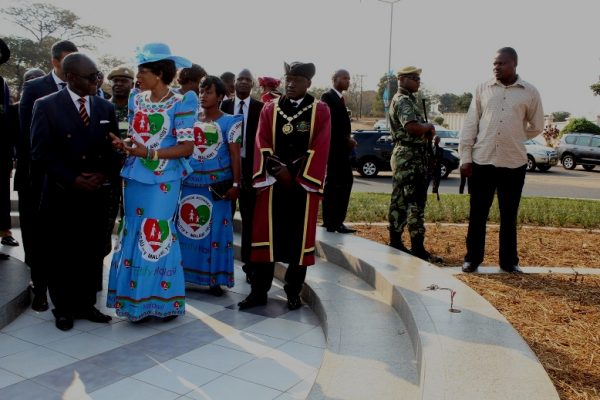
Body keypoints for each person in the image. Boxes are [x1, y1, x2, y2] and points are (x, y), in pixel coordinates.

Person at [30, 53, 121, 331]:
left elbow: (113, 148)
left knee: (91, 250)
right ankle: (64, 308)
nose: (97, 80)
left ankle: (86, 304)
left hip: (96, 193)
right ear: (70, 77)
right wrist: (73, 179)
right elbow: (40, 152)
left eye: (97, 75)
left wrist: (103, 174)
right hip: (62, 193)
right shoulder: (46, 106)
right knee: (62, 252)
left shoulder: (104, 108)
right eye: (90, 76)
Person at [107, 43, 197, 322]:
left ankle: (162, 301)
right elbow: (139, 137)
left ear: (159, 73)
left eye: (142, 71)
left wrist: (149, 152)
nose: (138, 76)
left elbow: (186, 147)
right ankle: (134, 301)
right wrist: (127, 145)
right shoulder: (137, 99)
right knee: (133, 229)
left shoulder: (182, 102)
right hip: (135, 175)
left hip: (164, 179)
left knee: (155, 232)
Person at [238, 61, 330, 311]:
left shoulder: (320, 110)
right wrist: (278, 170)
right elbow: (262, 140)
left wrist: (295, 174)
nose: (290, 83)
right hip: (273, 183)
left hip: (302, 187)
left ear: (308, 83)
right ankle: (258, 291)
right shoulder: (271, 108)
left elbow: (320, 145)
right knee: (265, 239)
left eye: (297, 79)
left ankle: (293, 291)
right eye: (288, 78)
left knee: (298, 243)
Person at [460, 47, 543, 273]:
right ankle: (472, 259)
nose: (496, 67)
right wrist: (465, 158)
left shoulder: (530, 92)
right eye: (494, 64)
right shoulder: (482, 89)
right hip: (482, 161)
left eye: (501, 63)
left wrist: (515, 135)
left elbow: (537, 126)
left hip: (513, 163)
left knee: (509, 216)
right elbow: (470, 124)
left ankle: (509, 262)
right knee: (478, 214)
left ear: (514, 64)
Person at [17, 39, 78, 312]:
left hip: (73, 179)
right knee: (38, 236)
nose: (72, 68)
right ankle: (39, 288)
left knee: (66, 237)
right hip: (39, 177)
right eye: (67, 62)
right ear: (55, 62)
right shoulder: (34, 88)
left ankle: (68, 289)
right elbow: (27, 136)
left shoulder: (85, 88)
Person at [177, 76, 242, 296]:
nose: (203, 96)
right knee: (187, 230)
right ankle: (184, 276)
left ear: (221, 96)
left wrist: (235, 184)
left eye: (209, 92)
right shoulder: (190, 119)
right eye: (201, 91)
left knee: (216, 232)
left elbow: (235, 155)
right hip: (189, 185)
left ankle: (215, 279)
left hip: (217, 188)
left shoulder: (231, 122)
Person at [388, 66, 442, 262]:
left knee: (400, 201)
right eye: (413, 78)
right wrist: (428, 126)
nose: (418, 81)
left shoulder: (405, 99)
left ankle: (395, 242)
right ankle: (418, 249)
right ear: (401, 79)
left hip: (405, 155)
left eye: (418, 78)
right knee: (416, 203)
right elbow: (412, 127)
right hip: (410, 158)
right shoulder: (403, 101)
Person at [220, 69, 264, 284]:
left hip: (250, 170)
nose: (244, 82)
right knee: (223, 218)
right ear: (234, 83)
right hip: (226, 170)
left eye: (248, 79)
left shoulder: (261, 108)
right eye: (241, 79)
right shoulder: (223, 107)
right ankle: (220, 265)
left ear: (252, 84)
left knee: (249, 221)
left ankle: (249, 266)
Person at [321, 69, 356, 234]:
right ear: (334, 79)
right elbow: (330, 126)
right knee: (335, 184)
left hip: (341, 150)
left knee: (341, 183)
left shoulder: (340, 99)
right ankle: (332, 222)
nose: (348, 81)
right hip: (334, 150)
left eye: (349, 78)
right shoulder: (327, 97)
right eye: (344, 78)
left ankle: (334, 221)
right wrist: (345, 140)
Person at [0, 38, 18, 250]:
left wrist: (12, 152)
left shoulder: (2, 84)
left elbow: (6, 120)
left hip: (1, 150)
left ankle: (4, 231)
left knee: (1, 195)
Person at [107, 65, 135, 138]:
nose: (118, 84)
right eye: (115, 81)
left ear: (132, 85)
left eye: (124, 81)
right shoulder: (102, 107)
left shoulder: (138, 109)